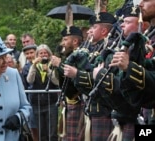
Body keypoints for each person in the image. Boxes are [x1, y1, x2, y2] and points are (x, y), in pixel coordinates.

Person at [63, 12, 117, 141]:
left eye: (94, 28)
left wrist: (76, 73)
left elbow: (99, 79)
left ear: (104, 31)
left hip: (103, 108)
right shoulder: (90, 48)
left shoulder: (109, 48)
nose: (89, 32)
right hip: (89, 107)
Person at [110, 0, 155, 124]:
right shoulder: (148, 35)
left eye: (146, 0)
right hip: (147, 114)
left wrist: (129, 67)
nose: (140, 4)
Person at [51, 25, 85, 141]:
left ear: (75, 41)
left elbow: (73, 78)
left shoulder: (82, 55)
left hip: (79, 102)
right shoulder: (68, 56)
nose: (62, 43)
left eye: (65, 39)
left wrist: (59, 65)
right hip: (69, 102)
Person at [27, 44, 59, 141]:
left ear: (49, 54)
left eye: (45, 53)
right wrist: (33, 65)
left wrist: (48, 70)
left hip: (51, 103)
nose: (43, 55)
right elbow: (29, 80)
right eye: (41, 53)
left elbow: (57, 81)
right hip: (37, 103)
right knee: (41, 132)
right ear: (37, 55)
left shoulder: (53, 65)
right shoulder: (33, 66)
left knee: (52, 132)